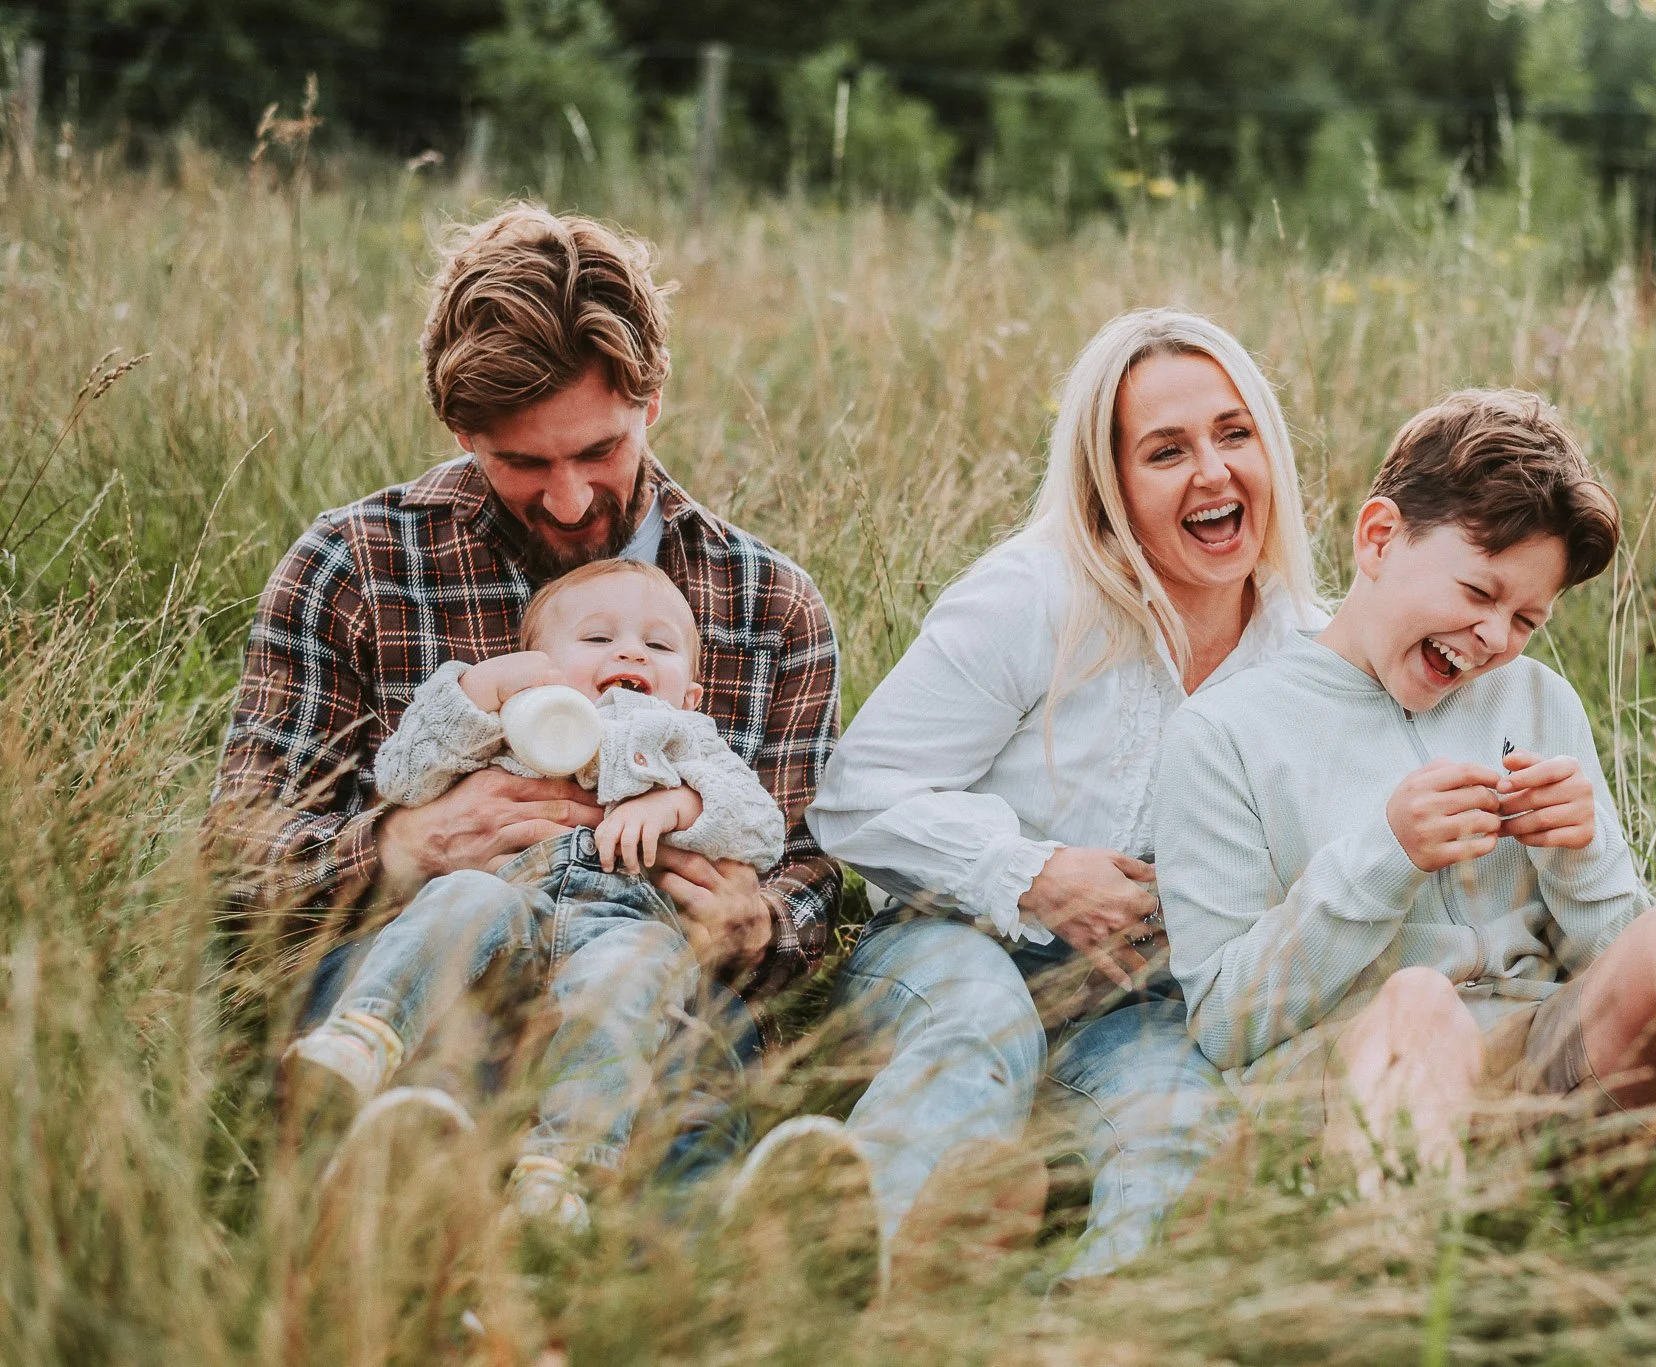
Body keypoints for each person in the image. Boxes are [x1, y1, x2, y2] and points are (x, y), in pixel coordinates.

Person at [210, 204, 842, 1186]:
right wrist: (397, 847)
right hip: (417, 969)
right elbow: (237, 856)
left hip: (644, 985)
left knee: (682, 1098)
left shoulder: (765, 603)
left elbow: (806, 875)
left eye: (599, 451)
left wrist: (757, 919)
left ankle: (660, 1295)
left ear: (651, 403)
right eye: (522, 462)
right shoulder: (352, 567)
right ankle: (407, 1270)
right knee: (423, 1086)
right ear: (461, 429)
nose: (569, 499)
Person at [1155, 389, 1656, 1208]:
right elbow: (1225, 1022)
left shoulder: (1537, 701)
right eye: (1478, 592)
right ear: (1380, 538)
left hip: (1542, 1073)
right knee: (1419, 1006)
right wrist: (1385, 854)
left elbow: (1616, 966)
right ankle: (1404, 1298)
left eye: (1527, 619)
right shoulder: (1222, 732)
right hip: (1353, 1082)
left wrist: (1583, 857)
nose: (1495, 638)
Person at [804, 308, 1326, 1284]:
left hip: (1144, 1001)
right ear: (1110, 483)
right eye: (1165, 450)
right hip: (954, 941)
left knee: (1175, 1131)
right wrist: (1032, 872)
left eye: (1232, 434)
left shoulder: (1307, 652)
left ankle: (1090, 1327)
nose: (1211, 473)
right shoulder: (1029, 596)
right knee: (978, 1025)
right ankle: (842, 1272)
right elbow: (854, 796)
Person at [283, 558, 786, 1229]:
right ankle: (363, 1036)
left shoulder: (688, 742)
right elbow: (401, 775)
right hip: (510, 905)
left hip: (624, 921)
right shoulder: (512, 724)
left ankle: (562, 1167)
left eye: (658, 645)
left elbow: (763, 827)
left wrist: (679, 804)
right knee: (460, 895)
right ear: (537, 666)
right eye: (597, 639)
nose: (630, 650)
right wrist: (478, 693)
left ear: (690, 696)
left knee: (622, 991)